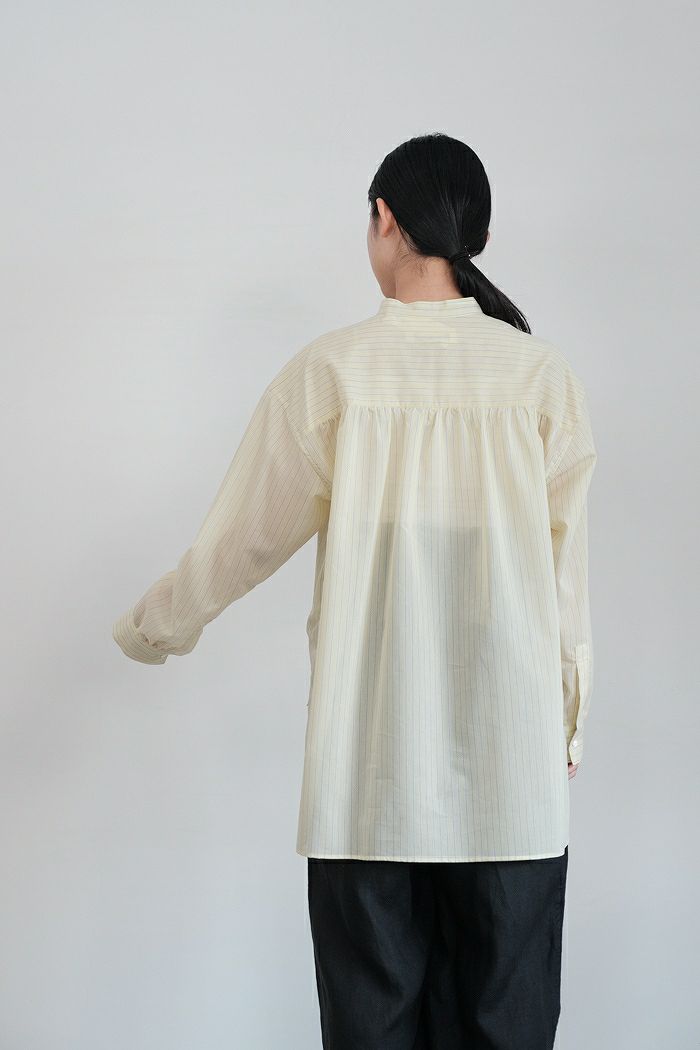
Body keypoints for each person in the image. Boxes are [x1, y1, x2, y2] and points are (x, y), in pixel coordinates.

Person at [113, 132, 598, 1049]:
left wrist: (152, 628)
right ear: (472, 235)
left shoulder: (333, 374)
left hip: (366, 781)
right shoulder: (542, 380)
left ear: (384, 218)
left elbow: (242, 540)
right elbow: (566, 578)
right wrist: (567, 721)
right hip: (514, 784)